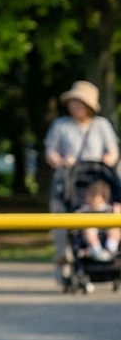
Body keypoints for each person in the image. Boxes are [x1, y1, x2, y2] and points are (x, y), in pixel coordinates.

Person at [43, 80, 119, 281]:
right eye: (73, 102)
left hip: (97, 184)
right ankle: (64, 267)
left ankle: (106, 255)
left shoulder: (101, 125)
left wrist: (107, 160)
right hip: (68, 183)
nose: (75, 106)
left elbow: (113, 151)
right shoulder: (61, 125)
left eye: (80, 102)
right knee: (62, 230)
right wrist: (61, 161)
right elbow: (50, 152)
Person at [76, 180, 121, 262]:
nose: (88, 198)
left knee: (115, 228)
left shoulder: (111, 209)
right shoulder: (85, 210)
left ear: (100, 197)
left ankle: (111, 250)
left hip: (107, 234)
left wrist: (117, 213)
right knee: (90, 229)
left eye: (91, 196)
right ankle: (98, 252)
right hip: (92, 238)